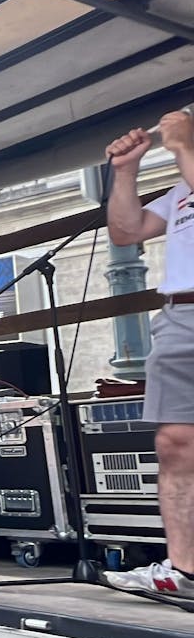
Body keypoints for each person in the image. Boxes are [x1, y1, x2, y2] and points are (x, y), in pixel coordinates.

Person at [102, 110, 194, 598]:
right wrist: (125, 171)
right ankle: (185, 572)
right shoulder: (181, 192)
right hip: (180, 315)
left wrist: (181, 146)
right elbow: (126, 230)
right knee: (175, 443)